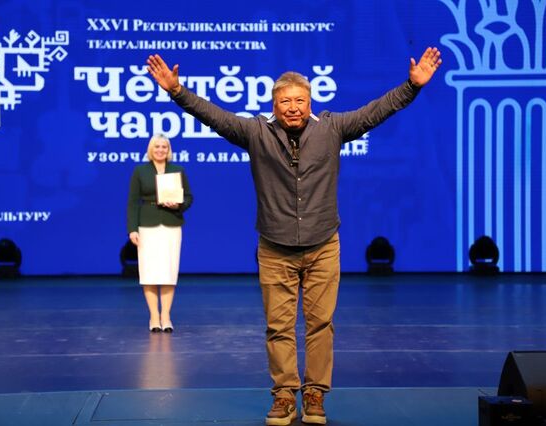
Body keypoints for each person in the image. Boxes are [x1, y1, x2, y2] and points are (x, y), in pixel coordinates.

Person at [146, 47, 441, 425]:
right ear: (275, 105)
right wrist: (176, 91)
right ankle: (285, 395)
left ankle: (315, 395)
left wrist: (412, 87)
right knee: (279, 327)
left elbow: (376, 111)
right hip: (275, 248)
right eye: (285, 101)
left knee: (320, 325)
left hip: (323, 245)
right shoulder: (255, 132)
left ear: (310, 102)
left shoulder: (333, 128)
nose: (293, 107)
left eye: (299, 100)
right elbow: (213, 116)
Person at [127, 134, 193, 333]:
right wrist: (132, 229)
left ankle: (166, 315)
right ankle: (154, 316)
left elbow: (189, 197)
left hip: (171, 225)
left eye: (164, 147)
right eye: (157, 146)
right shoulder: (140, 171)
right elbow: (132, 202)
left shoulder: (178, 170)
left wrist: (178, 205)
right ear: (151, 149)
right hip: (147, 226)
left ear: (168, 150)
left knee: (168, 272)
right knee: (149, 272)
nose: (160, 150)